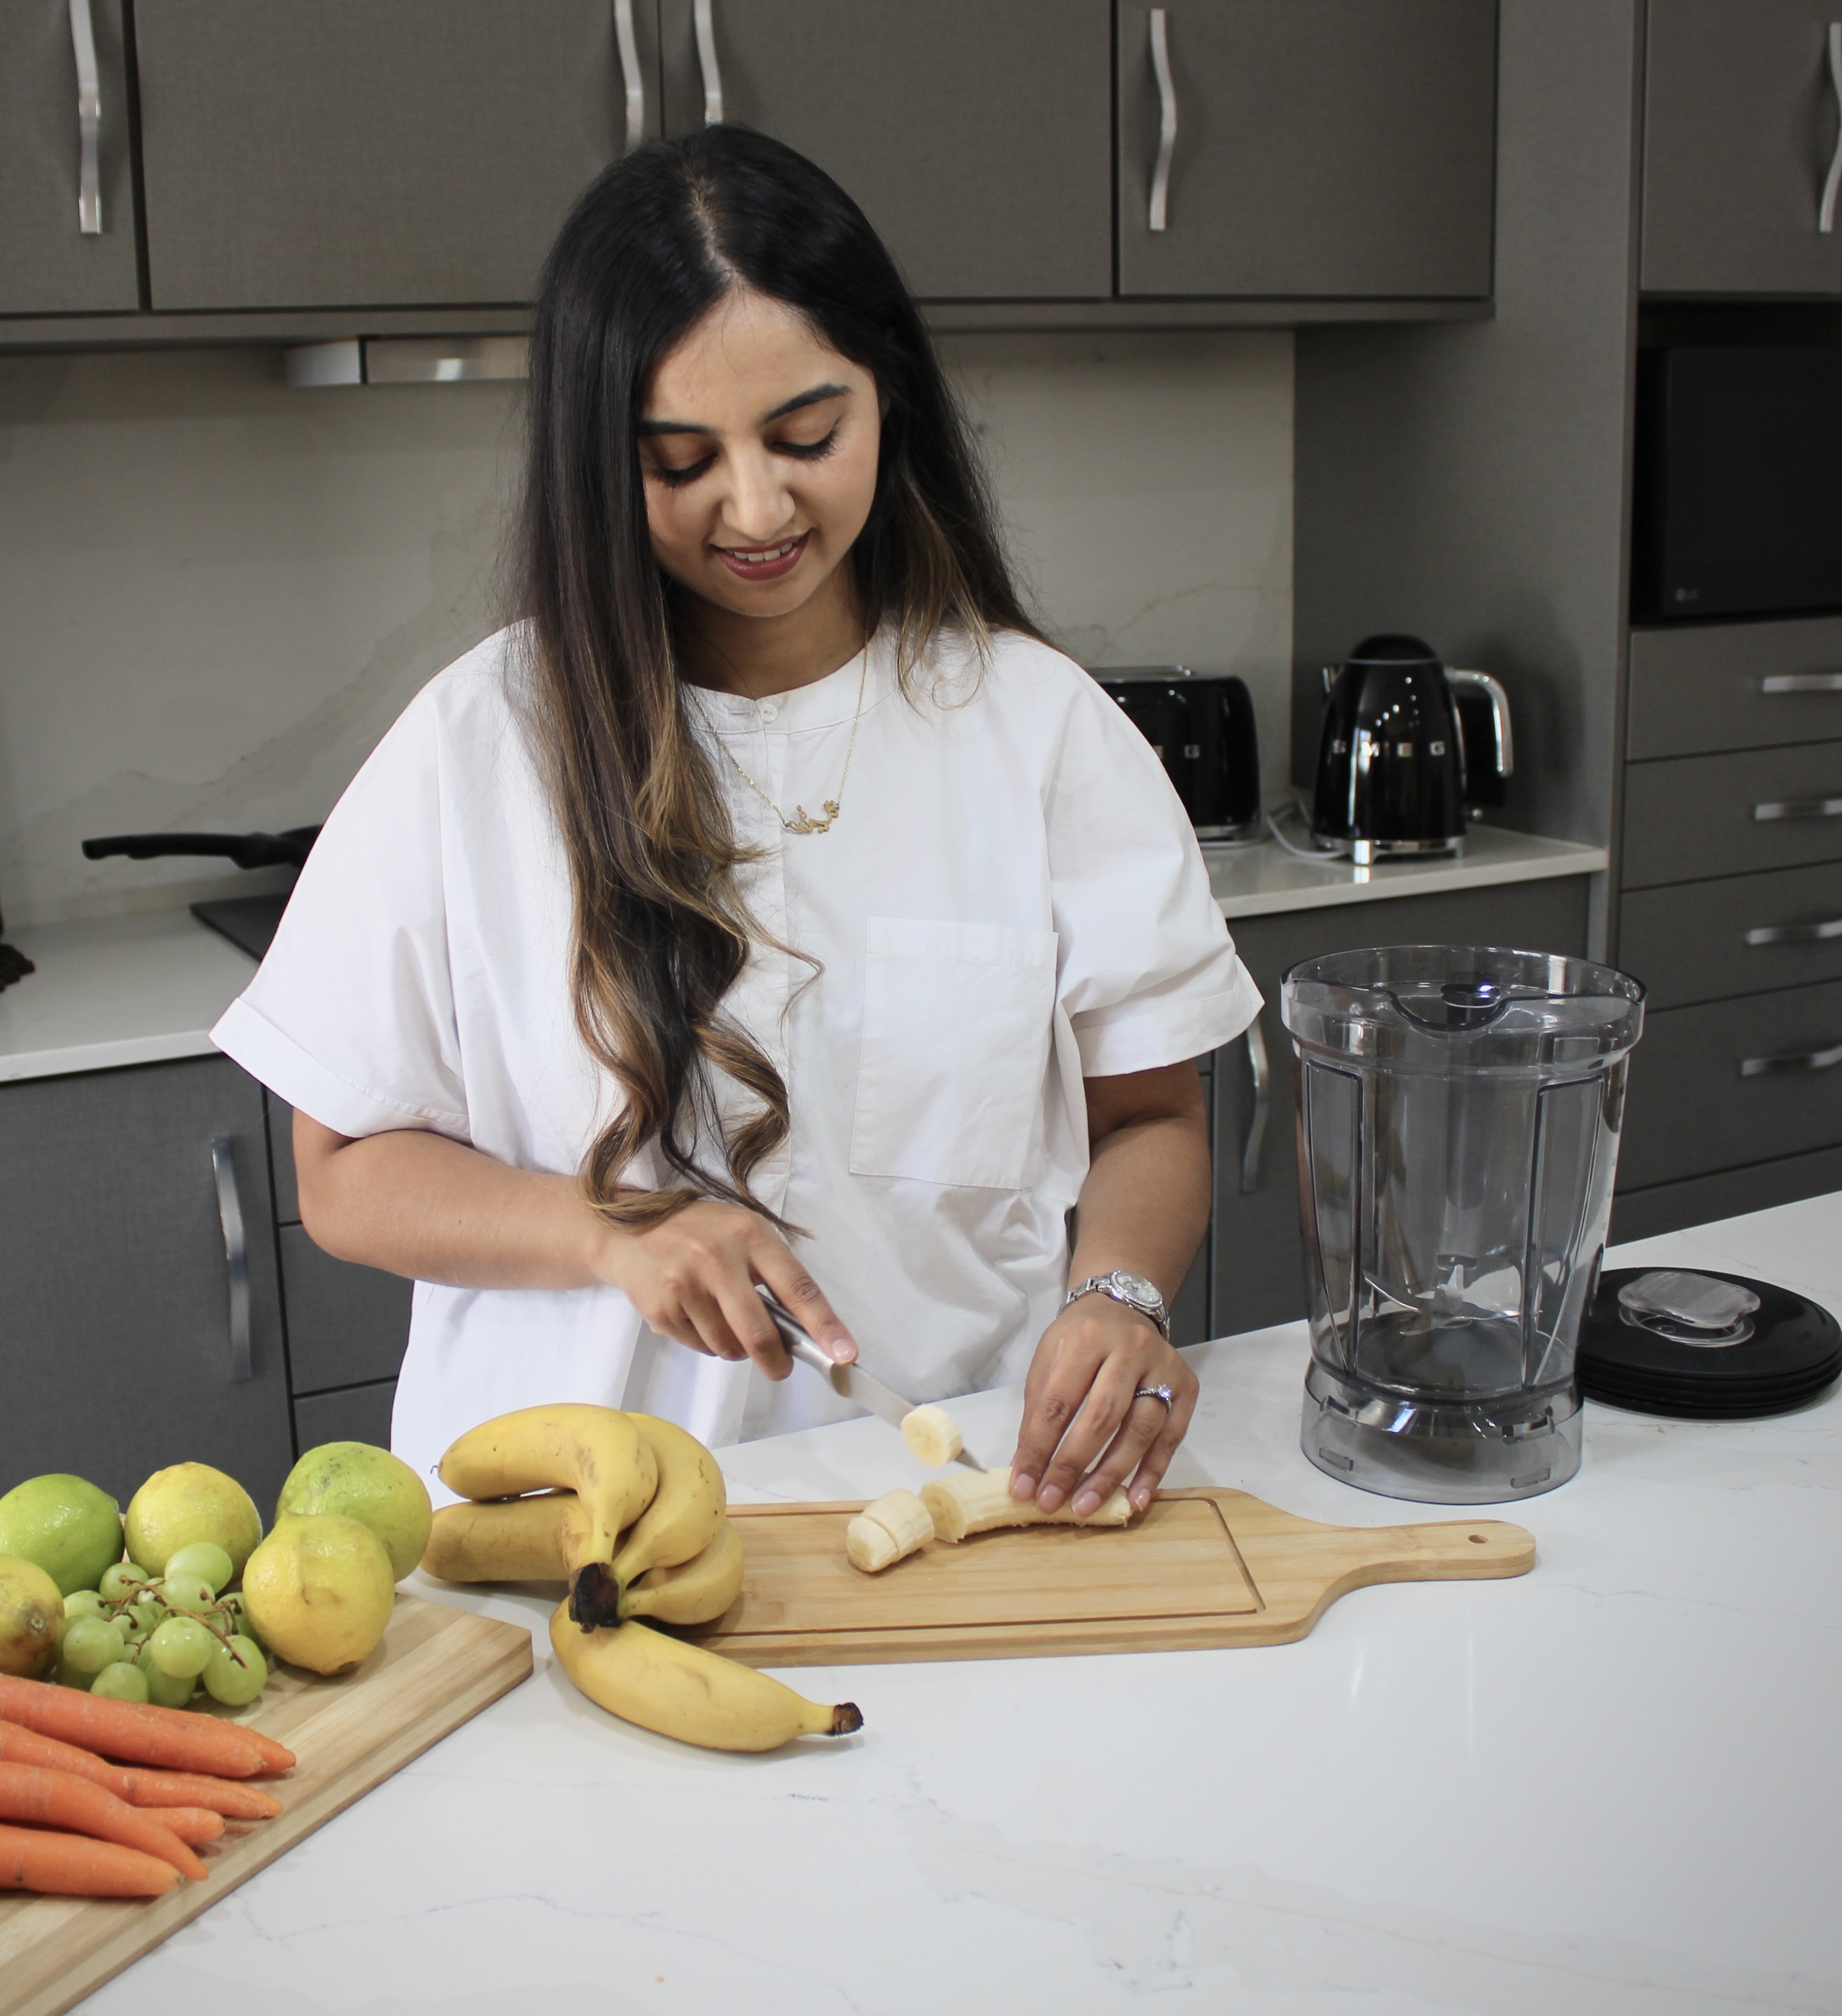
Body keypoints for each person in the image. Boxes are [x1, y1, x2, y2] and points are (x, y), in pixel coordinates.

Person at [212, 127, 1259, 1520]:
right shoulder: (479, 743)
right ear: (596, 458)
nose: (756, 507)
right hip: (556, 1540)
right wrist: (610, 1238)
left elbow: (1151, 1116)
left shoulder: (1038, 728)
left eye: (807, 435)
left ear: (889, 394)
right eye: (680, 458)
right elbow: (341, 1175)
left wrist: (1120, 1295)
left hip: (948, 1498)